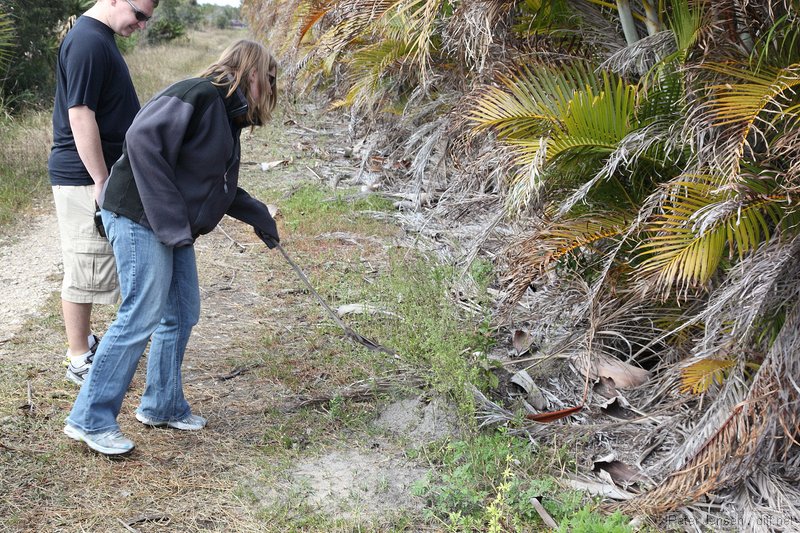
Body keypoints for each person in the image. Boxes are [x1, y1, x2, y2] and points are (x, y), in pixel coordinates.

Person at [63, 39, 281, 455]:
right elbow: (142, 141)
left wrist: (260, 218)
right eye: (269, 78)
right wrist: (169, 222)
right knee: (140, 313)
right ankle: (89, 418)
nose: (270, 88)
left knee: (181, 311)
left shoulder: (227, 116)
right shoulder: (198, 94)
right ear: (251, 71)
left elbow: (216, 183)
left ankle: (162, 405)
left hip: (166, 225)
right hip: (137, 215)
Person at [49, 0, 159, 386]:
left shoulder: (101, 38)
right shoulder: (88, 42)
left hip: (102, 174)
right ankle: (79, 359)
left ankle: (87, 346)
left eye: (147, 19)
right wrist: (100, 179)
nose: (142, 25)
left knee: (95, 265)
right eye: (139, 15)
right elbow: (79, 115)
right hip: (83, 176)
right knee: (83, 267)